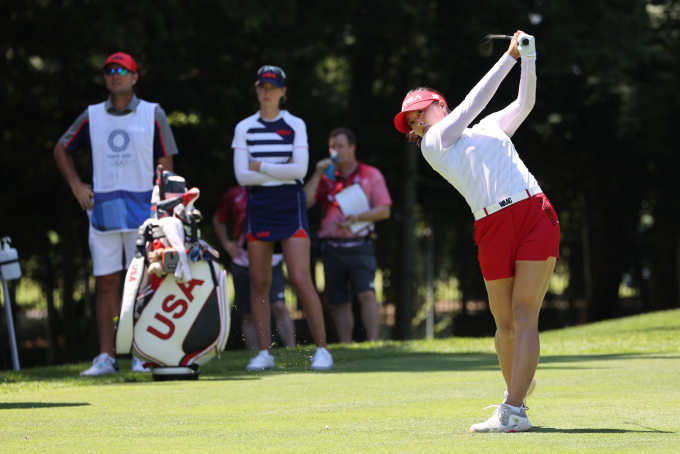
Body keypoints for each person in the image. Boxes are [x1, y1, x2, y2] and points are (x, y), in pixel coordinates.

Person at [394, 32, 559, 433]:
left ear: (438, 104)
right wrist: (508, 57)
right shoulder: (435, 143)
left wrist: (529, 58)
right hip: (490, 225)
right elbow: (473, 103)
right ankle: (516, 394)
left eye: (419, 111)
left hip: (534, 212)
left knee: (524, 315)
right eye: (411, 120)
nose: (416, 122)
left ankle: (513, 408)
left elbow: (524, 104)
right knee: (504, 324)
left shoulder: (488, 128)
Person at [53, 52, 178, 376]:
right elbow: (61, 148)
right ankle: (106, 357)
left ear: (135, 77)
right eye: (110, 70)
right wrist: (76, 186)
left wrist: (160, 199)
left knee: (144, 283)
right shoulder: (92, 115)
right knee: (106, 285)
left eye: (123, 70)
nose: (115, 75)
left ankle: (142, 353)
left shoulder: (153, 113)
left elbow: (165, 159)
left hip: (143, 213)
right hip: (104, 213)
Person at [232, 65, 333, 371]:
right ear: (257, 89)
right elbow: (240, 175)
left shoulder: (294, 124)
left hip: (291, 203)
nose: (267, 92)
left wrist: (259, 165)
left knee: (301, 279)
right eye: (262, 86)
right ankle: (265, 353)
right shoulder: (244, 127)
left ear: (282, 92)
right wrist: (281, 166)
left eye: (272, 87)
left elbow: (300, 171)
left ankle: (322, 351)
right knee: (259, 282)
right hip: (260, 205)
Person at [303, 128, 391, 343]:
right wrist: (317, 174)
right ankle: (346, 346)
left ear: (352, 148)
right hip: (331, 248)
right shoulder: (326, 178)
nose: (335, 151)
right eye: (332, 147)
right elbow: (304, 203)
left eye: (340, 146)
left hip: (360, 245)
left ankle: (372, 344)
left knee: (367, 294)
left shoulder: (370, 174)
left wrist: (357, 218)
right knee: (339, 300)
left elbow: (384, 210)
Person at [213, 185, 296, 350]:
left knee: (279, 306)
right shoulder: (234, 193)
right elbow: (218, 219)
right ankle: (257, 354)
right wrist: (226, 243)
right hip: (243, 261)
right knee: (248, 314)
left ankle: (291, 350)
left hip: (272, 259)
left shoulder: (275, 190)